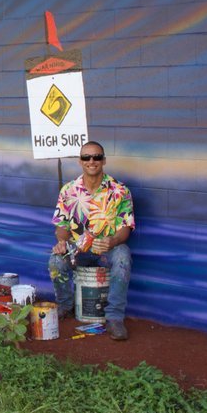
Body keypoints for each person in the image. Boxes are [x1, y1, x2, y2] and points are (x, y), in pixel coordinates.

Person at [48, 141, 134, 340]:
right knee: (55, 259)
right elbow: (62, 226)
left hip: (106, 250)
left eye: (96, 157)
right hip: (79, 249)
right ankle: (65, 305)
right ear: (80, 161)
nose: (91, 161)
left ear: (103, 160)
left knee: (123, 255)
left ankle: (114, 318)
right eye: (86, 157)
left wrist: (112, 241)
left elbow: (126, 228)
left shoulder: (119, 191)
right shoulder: (68, 190)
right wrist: (62, 242)